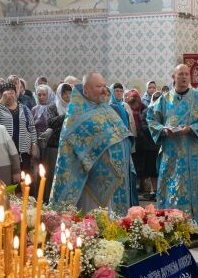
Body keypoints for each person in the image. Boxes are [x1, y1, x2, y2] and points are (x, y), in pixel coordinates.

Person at [50, 72, 136, 215]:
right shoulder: (76, 114)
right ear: (86, 90)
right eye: (98, 86)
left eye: (104, 85)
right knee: (96, 222)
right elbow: (75, 148)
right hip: (93, 183)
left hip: (118, 181)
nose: (104, 89)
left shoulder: (105, 108)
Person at [146, 64, 198, 232]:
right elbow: (151, 119)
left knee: (195, 189)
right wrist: (163, 130)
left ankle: (197, 225)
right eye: (180, 74)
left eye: (186, 74)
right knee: (171, 188)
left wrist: (192, 129)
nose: (184, 77)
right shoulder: (164, 99)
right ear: (173, 76)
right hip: (171, 154)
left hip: (194, 153)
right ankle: (171, 224)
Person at [0, 82, 39, 180]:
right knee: (8, 179)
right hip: (5, 151)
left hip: (23, 151)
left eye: (12, 92)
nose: (9, 95)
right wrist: (2, 101)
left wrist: (34, 144)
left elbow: (32, 128)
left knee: (24, 179)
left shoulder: (24, 108)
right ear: (1, 95)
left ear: (16, 93)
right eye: (6, 93)